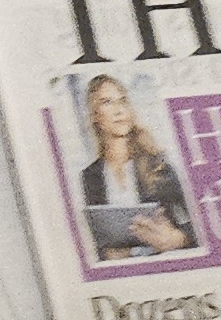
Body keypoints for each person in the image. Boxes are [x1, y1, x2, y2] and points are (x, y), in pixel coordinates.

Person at [74, 77, 194, 260]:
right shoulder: (90, 176)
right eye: (107, 102)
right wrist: (107, 254)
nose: (119, 110)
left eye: (122, 101)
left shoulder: (158, 165)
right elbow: (94, 240)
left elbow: (201, 221)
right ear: (95, 115)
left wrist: (177, 239)